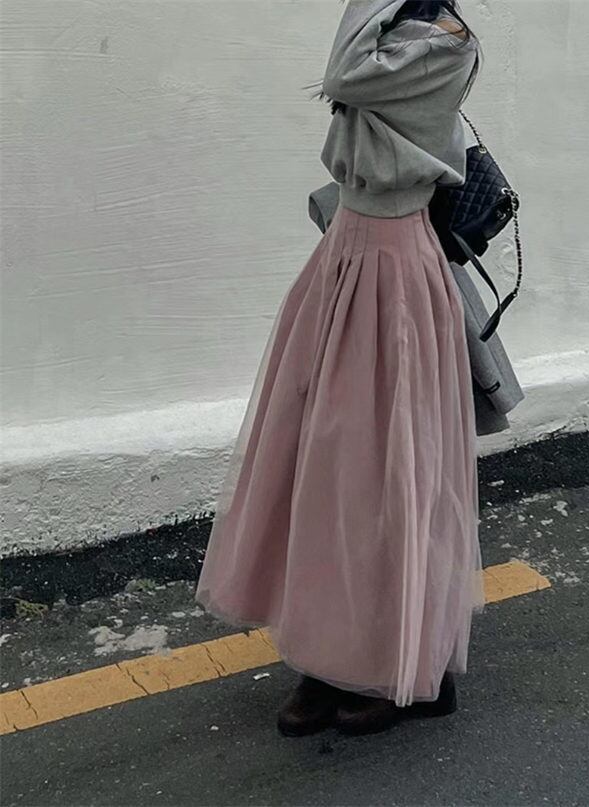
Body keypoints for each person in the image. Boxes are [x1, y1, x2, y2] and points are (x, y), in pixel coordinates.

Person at [195, 0, 484, 737]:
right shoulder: (393, 34)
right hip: (346, 255)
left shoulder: (445, 44)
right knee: (321, 468)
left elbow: (342, 74)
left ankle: (401, 661)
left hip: (394, 269)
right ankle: (328, 657)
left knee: (385, 474)